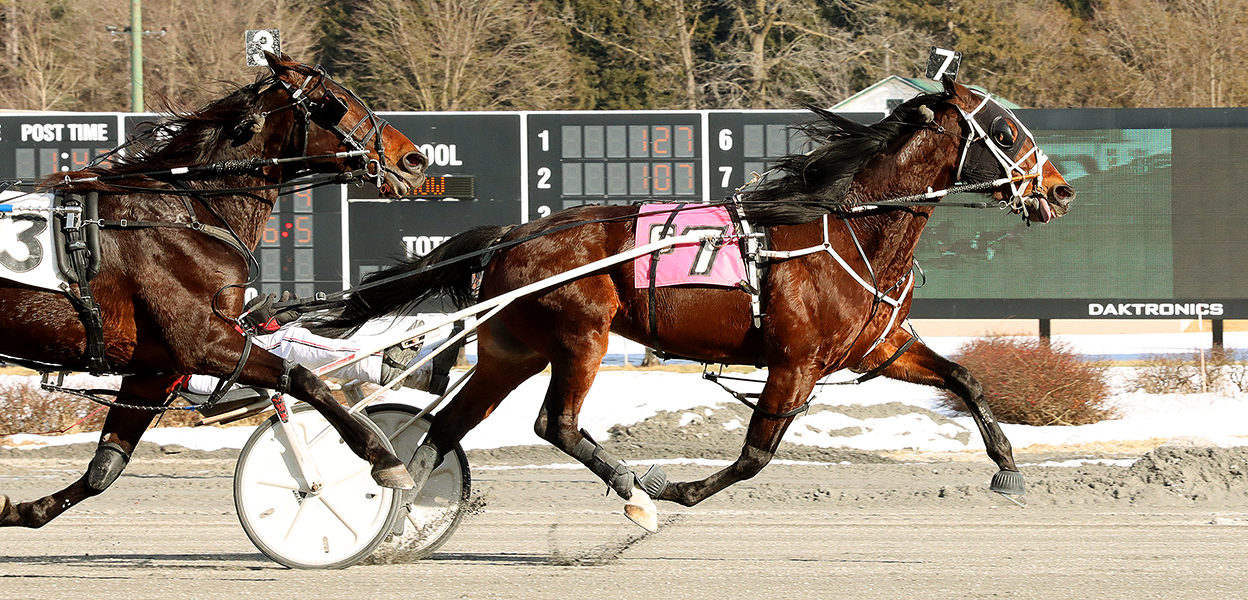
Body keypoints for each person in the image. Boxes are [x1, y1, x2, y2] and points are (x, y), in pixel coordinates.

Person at [179, 292, 459, 401]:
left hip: (211, 364)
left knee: (308, 332)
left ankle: (425, 372)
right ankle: (383, 365)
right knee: (289, 342)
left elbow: (208, 343)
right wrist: (247, 327)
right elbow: (197, 351)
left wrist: (251, 326)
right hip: (200, 376)